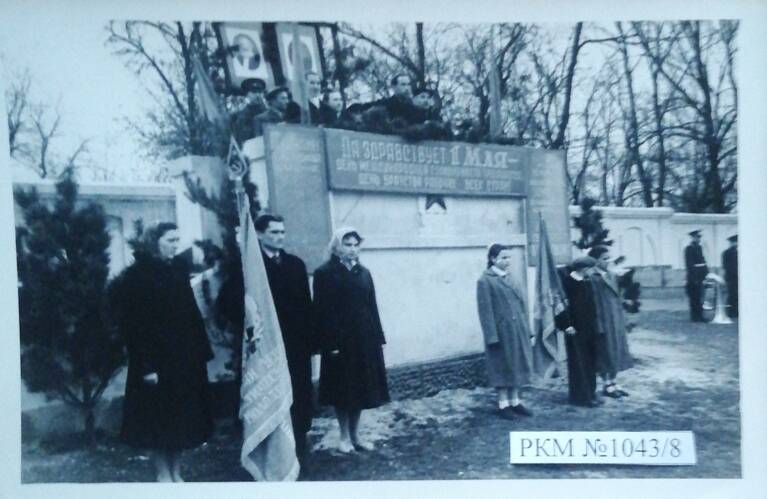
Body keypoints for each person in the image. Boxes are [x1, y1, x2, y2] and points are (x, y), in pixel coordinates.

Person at [111, 222, 213, 482]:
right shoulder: (137, 275)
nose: (175, 245)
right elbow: (135, 325)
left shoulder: (178, 269)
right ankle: (162, 473)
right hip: (155, 361)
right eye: (170, 240)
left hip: (182, 359)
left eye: (178, 240)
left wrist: (200, 353)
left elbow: (191, 313)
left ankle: (176, 471)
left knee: (180, 420)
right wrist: (147, 367)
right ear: (154, 241)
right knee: (156, 420)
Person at [313, 227, 389, 453]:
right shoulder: (324, 273)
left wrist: (378, 337)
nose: (353, 249)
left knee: (361, 388)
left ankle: (356, 435)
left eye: (356, 244)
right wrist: (330, 344)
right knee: (343, 390)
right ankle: (343, 436)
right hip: (339, 342)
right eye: (348, 244)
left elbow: (372, 306)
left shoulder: (364, 273)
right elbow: (321, 311)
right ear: (336, 246)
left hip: (364, 339)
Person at [254, 214, 316, 465]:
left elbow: (306, 305)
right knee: (271, 393)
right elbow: (232, 302)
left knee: (298, 392)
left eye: (282, 232)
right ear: (259, 234)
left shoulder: (295, 264)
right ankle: (271, 449)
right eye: (273, 232)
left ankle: (298, 444)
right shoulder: (251, 265)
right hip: (267, 345)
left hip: (296, 344)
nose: (279, 237)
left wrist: (312, 341)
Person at [476, 244, 535, 419]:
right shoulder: (485, 281)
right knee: (502, 367)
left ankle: (515, 401)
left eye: (509, 257)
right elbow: (485, 311)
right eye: (503, 258)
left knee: (517, 365)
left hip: (518, 330)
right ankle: (503, 404)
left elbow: (523, 307)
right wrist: (492, 336)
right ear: (493, 259)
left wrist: (528, 330)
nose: (507, 261)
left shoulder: (513, 278)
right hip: (501, 333)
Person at [555, 256, 602, 407]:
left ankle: (591, 392)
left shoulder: (587, 282)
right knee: (578, 363)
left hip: (589, 329)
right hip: (574, 329)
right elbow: (560, 305)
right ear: (584, 269)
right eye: (591, 269)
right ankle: (580, 397)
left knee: (590, 363)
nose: (593, 271)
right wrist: (566, 325)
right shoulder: (567, 283)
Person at [587, 246, 632, 398]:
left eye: (609, 258)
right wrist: (597, 324)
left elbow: (617, 297)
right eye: (604, 259)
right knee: (605, 352)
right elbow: (593, 303)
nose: (608, 261)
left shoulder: (611, 275)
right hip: (604, 320)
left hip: (615, 319)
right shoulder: (592, 278)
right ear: (595, 261)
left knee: (617, 351)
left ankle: (614, 381)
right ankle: (607, 384)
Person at [231, 78, 267, 145]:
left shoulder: (268, 113)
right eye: (254, 92)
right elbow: (239, 137)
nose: (258, 95)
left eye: (260, 92)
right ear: (247, 95)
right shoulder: (240, 116)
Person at [684, 229, 708, 322]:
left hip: (700, 276)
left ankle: (700, 316)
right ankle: (695, 317)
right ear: (693, 238)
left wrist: (706, 273)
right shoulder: (689, 248)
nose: (699, 239)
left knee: (700, 297)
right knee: (694, 297)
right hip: (693, 277)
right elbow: (689, 264)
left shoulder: (699, 248)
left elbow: (703, 261)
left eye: (699, 237)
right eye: (697, 237)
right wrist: (694, 277)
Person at [722, 234, 738, 319]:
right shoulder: (726, 253)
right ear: (731, 243)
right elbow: (726, 266)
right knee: (731, 294)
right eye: (734, 242)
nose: (736, 244)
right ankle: (730, 312)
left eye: (736, 242)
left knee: (737, 294)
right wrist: (734, 272)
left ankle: (736, 311)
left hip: (738, 277)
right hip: (730, 277)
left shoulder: (738, 252)